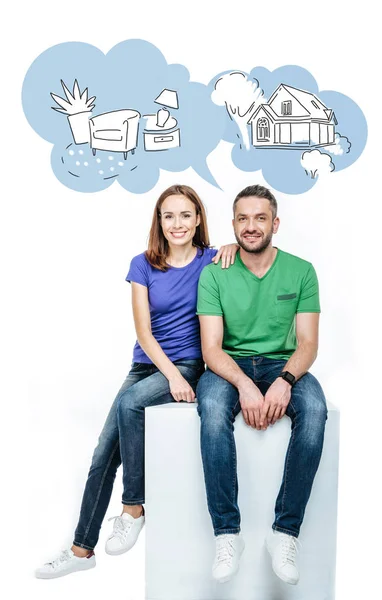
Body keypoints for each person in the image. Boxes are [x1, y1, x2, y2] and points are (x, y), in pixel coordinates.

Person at [35, 184, 238, 579]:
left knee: (131, 405)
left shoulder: (213, 260)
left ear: (198, 219)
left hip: (191, 362)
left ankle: (134, 507)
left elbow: (244, 258)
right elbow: (144, 333)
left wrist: (230, 245)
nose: (176, 223)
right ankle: (81, 550)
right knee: (101, 456)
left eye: (184, 215)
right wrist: (170, 377)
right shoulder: (142, 264)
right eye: (168, 216)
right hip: (147, 366)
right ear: (158, 222)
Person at [196, 184, 327, 586]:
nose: (251, 226)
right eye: (242, 218)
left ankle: (284, 533)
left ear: (275, 223)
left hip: (281, 363)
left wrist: (285, 379)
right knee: (215, 411)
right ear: (233, 223)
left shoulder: (301, 270)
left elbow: (307, 343)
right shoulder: (214, 273)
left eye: (259, 218)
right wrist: (244, 385)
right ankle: (227, 534)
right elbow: (211, 349)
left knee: (317, 411)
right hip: (228, 365)